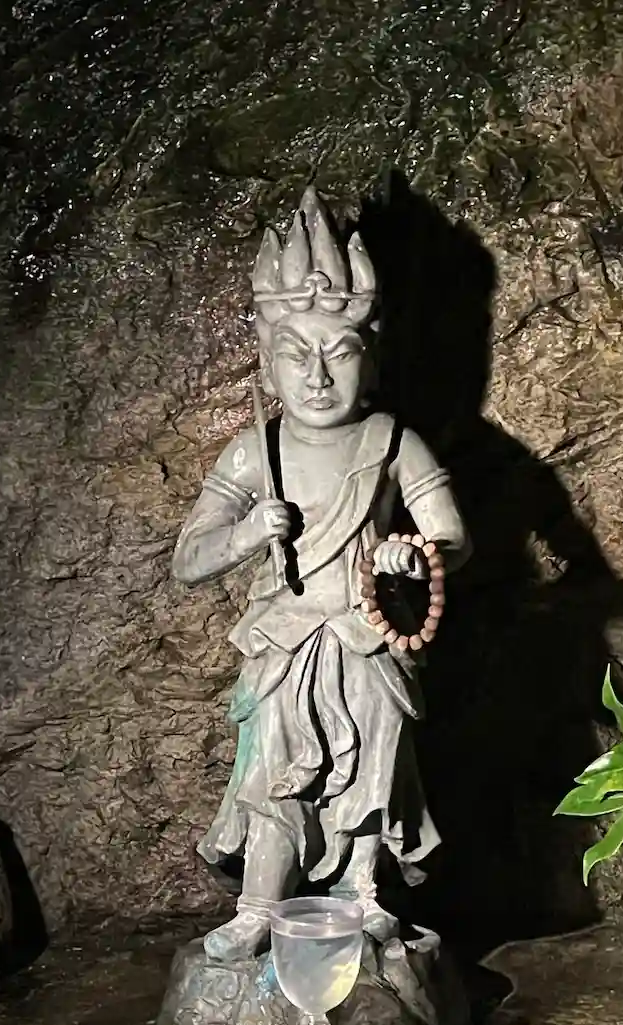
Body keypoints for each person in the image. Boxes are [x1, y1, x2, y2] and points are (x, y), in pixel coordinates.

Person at [173, 188, 470, 961]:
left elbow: (451, 535)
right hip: (283, 643)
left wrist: (412, 553)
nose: (315, 375)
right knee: (273, 771)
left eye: (337, 352)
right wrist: (245, 532)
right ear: (267, 361)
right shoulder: (254, 451)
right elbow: (188, 559)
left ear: (370, 359)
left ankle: (364, 893)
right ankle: (259, 904)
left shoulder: (392, 442)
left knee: (373, 765)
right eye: (294, 354)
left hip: (368, 636)